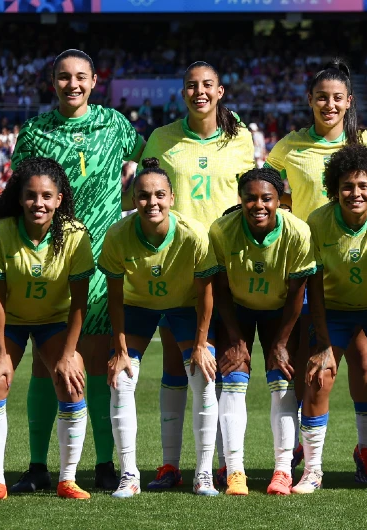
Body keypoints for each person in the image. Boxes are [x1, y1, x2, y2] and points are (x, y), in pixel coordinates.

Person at [264, 59, 367, 481]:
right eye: (321, 97)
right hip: (309, 267)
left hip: (363, 263)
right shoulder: (289, 147)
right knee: (307, 365)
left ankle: (365, 451)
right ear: (309, 100)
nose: (329, 105)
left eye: (337, 98)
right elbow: (268, 194)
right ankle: (297, 450)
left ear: (349, 102)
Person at [7, 48, 146, 493]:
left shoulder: (117, 125)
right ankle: (36, 465)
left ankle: (104, 464)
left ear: (94, 80)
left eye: (80, 76)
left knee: (101, 361)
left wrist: (123, 205)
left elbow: (150, 166)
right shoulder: (34, 132)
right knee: (47, 367)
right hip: (48, 263)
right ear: (54, 82)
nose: (73, 84)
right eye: (64, 77)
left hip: (101, 260)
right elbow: (19, 195)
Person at [139, 61, 255, 491]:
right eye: (192, 85)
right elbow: (149, 193)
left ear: (220, 91)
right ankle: (171, 464)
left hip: (228, 264)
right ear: (182, 92)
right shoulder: (162, 139)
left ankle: (228, 464)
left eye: (207, 85)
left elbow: (252, 196)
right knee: (176, 362)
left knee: (226, 363)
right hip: (179, 266)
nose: (199, 92)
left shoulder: (240, 138)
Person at [295, 145, 367, 495]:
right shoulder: (317, 220)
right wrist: (321, 343)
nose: (355, 193)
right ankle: (313, 471)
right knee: (319, 376)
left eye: (363, 185)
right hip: (333, 309)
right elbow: (313, 287)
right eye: (347, 186)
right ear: (334, 189)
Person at [0, 157, 94, 502]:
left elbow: (79, 304)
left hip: (53, 320)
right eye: (30, 195)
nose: (38, 203)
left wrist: (69, 355)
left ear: (59, 199)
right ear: (19, 197)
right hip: (8, 320)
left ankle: (67, 480)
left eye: (46, 196)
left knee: (73, 383)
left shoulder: (75, 236)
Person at [98, 158, 219, 498]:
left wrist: (200, 345)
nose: (152, 202)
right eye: (143, 195)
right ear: (133, 198)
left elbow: (206, 295)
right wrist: (120, 351)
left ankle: (204, 475)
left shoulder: (193, 235)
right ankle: (129, 475)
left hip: (184, 307)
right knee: (121, 379)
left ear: (172, 198)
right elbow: (115, 297)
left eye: (159, 195)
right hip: (137, 308)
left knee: (203, 374)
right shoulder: (118, 235)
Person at [208, 167, 316, 495]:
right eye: (250, 198)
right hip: (236, 310)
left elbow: (298, 293)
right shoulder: (222, 230)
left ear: (279, 200)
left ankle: (283, 470)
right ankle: (234, 469)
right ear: (240, 201)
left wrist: (282, 342)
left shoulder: (297, 232)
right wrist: (236, 338)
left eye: (266, 198)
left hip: (280, 312)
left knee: (281, 378)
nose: (258, 205)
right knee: (233, 375)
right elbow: (220, 289)